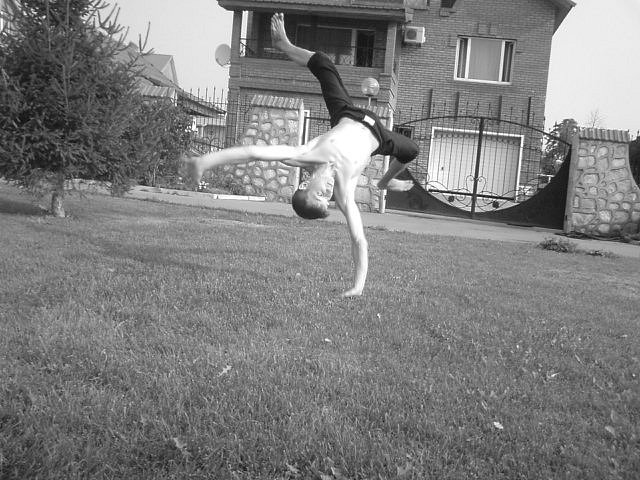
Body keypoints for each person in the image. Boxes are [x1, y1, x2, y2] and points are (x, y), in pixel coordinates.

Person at [185, 13, 419, 297]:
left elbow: (252, 152)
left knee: (324, 64)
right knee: (411, 150)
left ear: (306, 183)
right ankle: (384, 183)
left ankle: (284, 44)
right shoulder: (344, 193)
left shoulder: (305, 153)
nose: (328, 193)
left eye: (319, 194)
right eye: (327, 199)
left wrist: (205, 161)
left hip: (346, 114)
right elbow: (359, 240)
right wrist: (358, 286)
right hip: (379, 137)